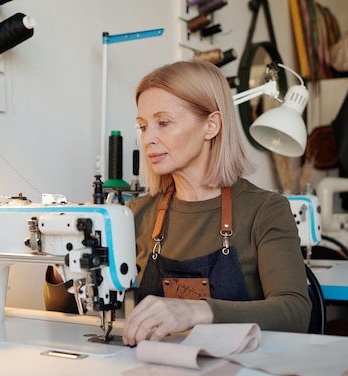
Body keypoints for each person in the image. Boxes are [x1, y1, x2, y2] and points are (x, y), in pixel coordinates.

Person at [44, 60, 311, 346]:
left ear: (211, 125)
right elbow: (62, 313)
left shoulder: (265, 210)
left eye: (163, 123)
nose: (148, 138)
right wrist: (66, 258)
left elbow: (295, 313)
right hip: (157, 372)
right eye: (143, 126)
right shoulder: (134, 215)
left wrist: (195, 310)